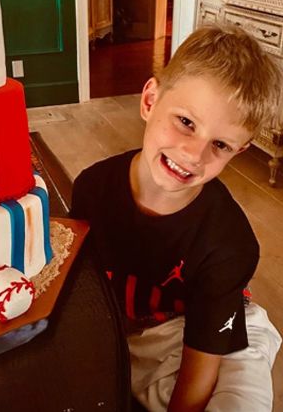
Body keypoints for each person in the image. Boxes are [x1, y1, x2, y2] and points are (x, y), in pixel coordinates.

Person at [70, 24, 282, 411]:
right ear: (150, 100)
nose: (193, 154)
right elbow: (80, 290)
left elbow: (202, 362)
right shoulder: (92, 188)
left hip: (220, 331)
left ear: (239, 150)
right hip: (138, 331)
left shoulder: (230, 243)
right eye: (186, 122)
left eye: (219, 145)